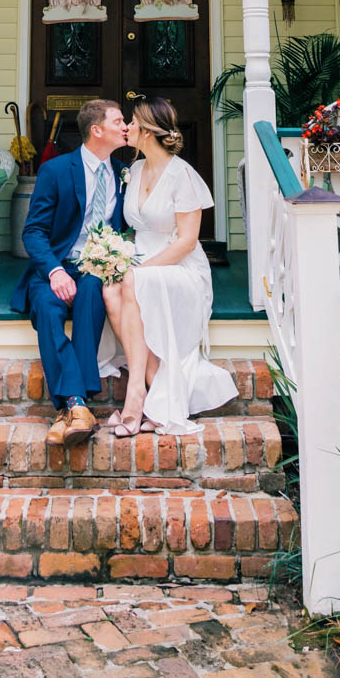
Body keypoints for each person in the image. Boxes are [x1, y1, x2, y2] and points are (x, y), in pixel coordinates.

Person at [101, 97, 237, 435]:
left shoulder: (183, 176)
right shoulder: (132, 171)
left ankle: (136, 397)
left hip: (180, 267)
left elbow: (187, 242)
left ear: (146, 132)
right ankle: (155, 385)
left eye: (132, 122)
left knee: (131, 283)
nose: (127, 127)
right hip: (139, 259)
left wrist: (141, 268)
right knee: (109, 289)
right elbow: (132, 227)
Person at [10, 98, 128, 448]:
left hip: (97, 266)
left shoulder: (123, 171)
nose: (126, 126)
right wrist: (55, 271)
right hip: (58, 265)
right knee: (47, 309)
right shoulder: (57, 170)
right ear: (97, 130)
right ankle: (77, 404)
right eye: (119, 121)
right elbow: (33, 231)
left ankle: (71, 409)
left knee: (93, 293)